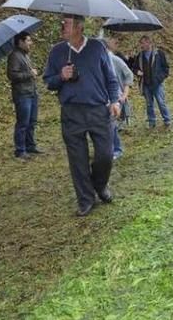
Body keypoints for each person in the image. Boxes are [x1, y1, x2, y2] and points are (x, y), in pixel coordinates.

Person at [43, 14, 121, 217]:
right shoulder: (57, 51)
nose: (61, 26)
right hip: (71, 113)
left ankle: (100, 185)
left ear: (79, 27)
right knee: (77, 160)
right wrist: (61, 76)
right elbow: (49, 82)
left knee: (105, 154)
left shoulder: (97, 47)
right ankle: (86, 199)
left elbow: (111, 79)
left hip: (97, 110)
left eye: (66, 23)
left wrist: (114, 100)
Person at [6, 31, 44, 159]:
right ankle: (20, 150)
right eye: (28, 40)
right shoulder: (14, 56)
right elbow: (12, 75)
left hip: (32, 92)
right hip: (22, 95)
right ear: (21, 42)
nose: (31, 43)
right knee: (23, 123)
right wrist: (30, 73)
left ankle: (30, 145)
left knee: (32, 121)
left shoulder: (24, 55)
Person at [131, 35, 171, 128]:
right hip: (146, 84)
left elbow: (166, 68)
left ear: (149, 43)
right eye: (141, 43)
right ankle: (151, 122)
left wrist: (160, 78)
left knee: (161, 103)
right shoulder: (139, 56)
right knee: (149, 104)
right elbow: (134, 68)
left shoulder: (159, 53)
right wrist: (137, 72)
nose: (141, 45)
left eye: (143, 43)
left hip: (157, 84)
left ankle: (167, 120)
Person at [105, 37, 134, 159]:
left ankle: (116, 150)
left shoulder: (114, 59)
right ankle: (108, 150)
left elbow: (129, 75)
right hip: (102, 97)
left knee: (111, 124)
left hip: (114, 97)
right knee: (107, 124)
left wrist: (124, 95)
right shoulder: (98, 60)